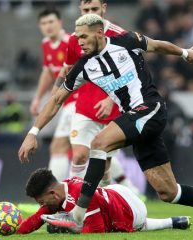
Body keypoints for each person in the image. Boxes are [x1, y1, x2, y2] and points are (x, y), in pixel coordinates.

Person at [18, 14, 193, 232]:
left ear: (100, 32)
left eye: (84, 36)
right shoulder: (83, 66)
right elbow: (57, 99)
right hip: (137, 122)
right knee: (168, 192)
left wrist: (184, 53)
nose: (79, 41)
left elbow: (157, 45)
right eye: (77, 37)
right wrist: (33, 131)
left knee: (98, 143)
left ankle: (78, 214)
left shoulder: (125, 41)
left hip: (150, 108)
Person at [55, 0, 141, 193]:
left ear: (104, 8)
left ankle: (105, 206)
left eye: (94, 9)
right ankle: (71, 202)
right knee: (78, 156)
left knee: (104, 168)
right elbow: (67, 71)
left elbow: (131, 73)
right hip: (84, 107)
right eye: (86, 10)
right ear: (80, 10)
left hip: (113, 110)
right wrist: (54, 97)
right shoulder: (75, 39)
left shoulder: (120, 36)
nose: (90, 13)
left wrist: (111, 99)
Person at [0, 168, 191, 235]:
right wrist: (10, 231)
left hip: (132, 207)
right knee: (64, 222)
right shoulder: (61, 191)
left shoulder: (81, 198)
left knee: (134, 225)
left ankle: (171, 222)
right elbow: (37, 218)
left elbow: (96, 232)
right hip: (115, 193)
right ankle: (175, 222)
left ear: (52, 194)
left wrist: (66, 229)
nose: (42, 206)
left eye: (42, 201)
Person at [29, 9, 74, 181]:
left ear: (60, 23)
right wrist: (38, 98)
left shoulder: (70, 41)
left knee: (58, 147)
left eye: (51, 22)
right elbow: (48, 72)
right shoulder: (46, 44)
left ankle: (55, 194)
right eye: (43, 23)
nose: (47, 26)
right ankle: (129, 186)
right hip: (67, 102)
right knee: (96, 148)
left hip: (78, 101)